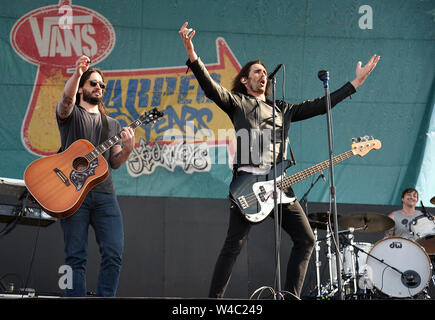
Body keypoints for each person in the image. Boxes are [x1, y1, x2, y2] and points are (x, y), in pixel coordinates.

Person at [179, 22, 380, 299]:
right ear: (245, 80)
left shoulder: (282, 109)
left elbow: (320, 106)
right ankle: (213, 302)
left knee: (306, 239)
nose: (263, 75)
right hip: (248, 184)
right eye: (257, 72)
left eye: (264, 72)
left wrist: (354, 83)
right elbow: (212, 89)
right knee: (233, 245)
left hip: (281, 186)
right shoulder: (238, 102)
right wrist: (192, 54)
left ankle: (290, 297)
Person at [56, 55, 135, 297]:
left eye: (102, 85)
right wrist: (78, 73)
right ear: (82, 88)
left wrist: (128, 149)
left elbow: (115, 162)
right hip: (72, 195)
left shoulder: (111, 124)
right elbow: (66, 100)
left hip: (104, 196)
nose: (98, 87)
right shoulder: (70, 115)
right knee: (75, 256)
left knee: (114, 252)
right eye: (93, 83)